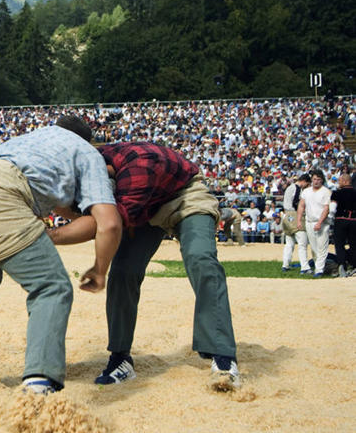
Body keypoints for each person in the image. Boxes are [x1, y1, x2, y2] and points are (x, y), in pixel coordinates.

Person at [0, 116, 122, 394]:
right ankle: (40, 380)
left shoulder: (28, 140)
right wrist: (99, 269)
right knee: (51, 287)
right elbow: (110, 223)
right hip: (0, 194)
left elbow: (55, 201)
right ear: (87, 140)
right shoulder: (86, 152)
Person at [50, 141, 240, 391]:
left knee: (200, 258)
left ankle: (222, 353)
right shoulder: (91, 164)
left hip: (183, 197)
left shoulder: (139, 165)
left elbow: (108, 225)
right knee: (124, 270)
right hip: (143, 206)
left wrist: (54, 237)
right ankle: (120, 357)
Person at [296, 169, 332, 278]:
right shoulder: (306, 192)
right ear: (312, 180)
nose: (316, 181)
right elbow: (301, 205)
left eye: (319, 180)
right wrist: (298, 220)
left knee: (322, 246)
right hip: (309, 221)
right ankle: (320, 266)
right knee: (314, 247)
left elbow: (326, 208)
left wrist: (320, 222)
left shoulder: (326, 192)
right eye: (314, 179)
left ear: (322, 181)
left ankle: (319, 270)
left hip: (322, 222)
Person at [281, 174, 311, 273]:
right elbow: (295, 203)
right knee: (302, 242)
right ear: (304, 181)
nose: (307, 186)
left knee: (289, 243)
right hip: (293, 214)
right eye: (307, 184)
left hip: (286, 215)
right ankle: (305, 267)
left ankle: (285, 264)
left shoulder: (290, 188)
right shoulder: (296, 188)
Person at [330, 172, 356, 277]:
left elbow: (332, 209)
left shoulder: (337, 193)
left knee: (339, 244)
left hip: (341, 220)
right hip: (354, 220)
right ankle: (354, 266)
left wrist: (332, 219)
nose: (338, 183)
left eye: (340, 181)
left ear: (345, 181)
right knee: (354, 244)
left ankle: (342, 266)